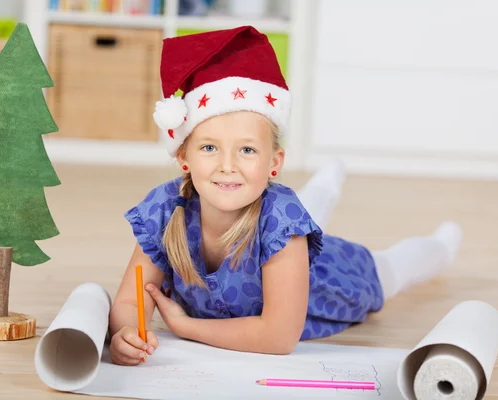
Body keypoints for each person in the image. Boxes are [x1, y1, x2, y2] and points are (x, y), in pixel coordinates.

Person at [107, 26, 462, 366]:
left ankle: (442, 246)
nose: (227, 165)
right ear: (183, 156)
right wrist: (125, 331)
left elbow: (277, 337)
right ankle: (325, 185)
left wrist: (185, 327)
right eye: (210, 147)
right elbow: (129, 299)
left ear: (274, 163)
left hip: (328, 276)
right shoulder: (165, 211)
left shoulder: (282, 217)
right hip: (273, 226)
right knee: (287, 211)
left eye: (246, 150)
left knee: (391, 268)